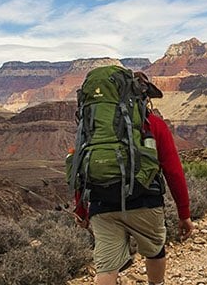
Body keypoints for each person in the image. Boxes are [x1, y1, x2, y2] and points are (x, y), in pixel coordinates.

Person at [73, 71, 194, 285]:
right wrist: (184, 213)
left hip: (102, 204)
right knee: (155, 251)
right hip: (145, 200)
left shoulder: (93, 129)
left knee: (107, 267)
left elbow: (80, 167)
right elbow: (174, 171)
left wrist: (81, 210)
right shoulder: (153, 124)